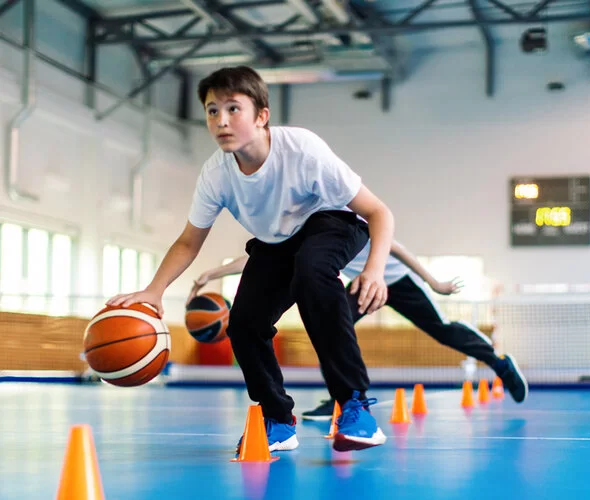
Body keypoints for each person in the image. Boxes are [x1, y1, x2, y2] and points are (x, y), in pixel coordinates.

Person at [107, 66, 395, 453]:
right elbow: (189, 241)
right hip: (276, 240)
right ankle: (277, 418)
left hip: (334, 221)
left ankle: (355, 404)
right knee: (243, 325)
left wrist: (375, 271)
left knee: (312, 274)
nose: (221, 121)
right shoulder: (216, 175)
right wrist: (153, 291)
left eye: (233, 109)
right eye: (212, 111)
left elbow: (378, 212)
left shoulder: (303, 150)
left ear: (262, 115)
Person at [189, 239, 529, 421]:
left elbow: (395, 246)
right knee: (330, 326)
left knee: (441, 330)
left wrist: (434, 281)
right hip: (364, 284)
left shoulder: (345, 213)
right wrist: (214, 274)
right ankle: (345, 398)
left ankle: (500, 364)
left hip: (394, 280)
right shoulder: (302, 230)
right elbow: (260, 260)